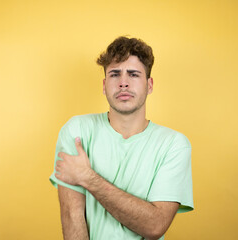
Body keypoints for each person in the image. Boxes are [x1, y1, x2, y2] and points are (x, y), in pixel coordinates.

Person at [49, 36, 193, 240]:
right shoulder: (76, 131)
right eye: (115, 74)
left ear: (149, 85)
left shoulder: (174, 145)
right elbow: (72, 217)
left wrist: (87, 177)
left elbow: (155, 225)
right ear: (104, 84)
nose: (123, 83)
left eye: (133, 74)